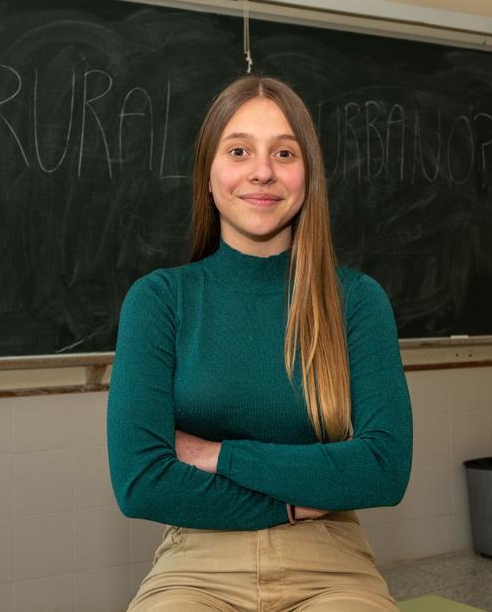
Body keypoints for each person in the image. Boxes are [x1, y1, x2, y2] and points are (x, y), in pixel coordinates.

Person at [107, 74, 413, 612]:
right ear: (208, 172)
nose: (263, 171)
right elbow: (141, 482)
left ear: (308, 174)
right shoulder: (159, 300)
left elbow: (384, 470)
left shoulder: (358, 301)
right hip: (195, 565)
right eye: (240, 150)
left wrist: (212, 454)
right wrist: (298, 500)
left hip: (333, 568)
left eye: (285, 152)